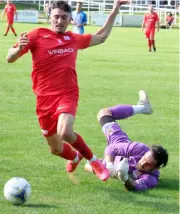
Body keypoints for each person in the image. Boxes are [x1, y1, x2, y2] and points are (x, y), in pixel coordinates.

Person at [6, 0, 128, 182]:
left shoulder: (73, 38)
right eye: (56, 17)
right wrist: (18, 50)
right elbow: (9, 58)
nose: (59, 21)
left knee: (65, 132)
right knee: (55, 149)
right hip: (44, 99)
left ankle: (94, 161)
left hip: (67, 94)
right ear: (50, 18)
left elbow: (101, 36)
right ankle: (75, 157)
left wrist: (115, 10)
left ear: (70, 19)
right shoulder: (37, 35)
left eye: (64, 17)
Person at [85, 90, 168, 191]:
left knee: (89, 165)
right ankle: (143, 107)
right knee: (104, 113)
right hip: (120, 143)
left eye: (148, 164)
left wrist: (124, 177)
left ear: (156, 168)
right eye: (144, 159)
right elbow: (112, 148)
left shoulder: (151, 178)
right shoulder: (140, 149)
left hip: (119, 161)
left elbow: (137, 188)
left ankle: (143, 107)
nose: (142, 163)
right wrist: (109, 164)